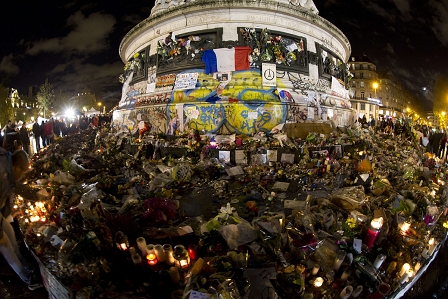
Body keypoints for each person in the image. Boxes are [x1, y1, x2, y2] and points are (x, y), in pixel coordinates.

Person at [0, 145, 42, 290]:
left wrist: (36, 195)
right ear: (17, 167)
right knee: (6, 246)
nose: (23, 176)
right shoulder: (1, 172)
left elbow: (17, 186)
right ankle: (28, 279)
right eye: (23, 172)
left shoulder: (8, 165)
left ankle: (24, 263)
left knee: (10, 233)